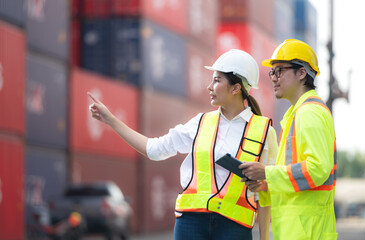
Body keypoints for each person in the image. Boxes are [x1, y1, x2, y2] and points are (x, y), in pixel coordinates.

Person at [88, 49, 278, 240]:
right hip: (191, 223)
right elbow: (154, 150)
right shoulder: (200, 123)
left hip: (234, 228)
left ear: (236, 88)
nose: (209, 87)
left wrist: (264, 238)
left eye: (217, 80)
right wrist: (110, 120)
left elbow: (267, 191)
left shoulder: (264, 132)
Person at [239, 39, 337, 239]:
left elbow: (318, 168)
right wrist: (267, 183)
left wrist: (267, 173)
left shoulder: (309, 113)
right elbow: (298, 174)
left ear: (302, 73)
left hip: (307, 230)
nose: (273, 78)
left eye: (279, 71)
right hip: (300, 228)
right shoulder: (297, 114)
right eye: (272, 72)